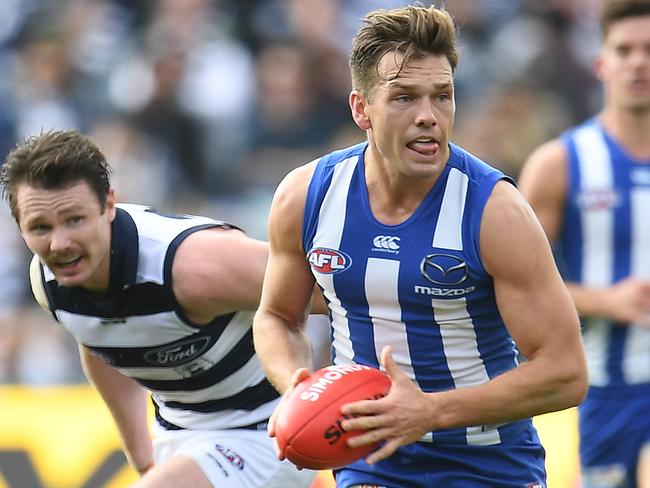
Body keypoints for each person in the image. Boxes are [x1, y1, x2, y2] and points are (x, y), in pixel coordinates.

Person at [252, 4, 589, 487]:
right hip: (370, 464)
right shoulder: (307, 196)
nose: (429, 116)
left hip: (489, 468)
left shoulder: (494, 211)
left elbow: (565, 372)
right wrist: (298, 385)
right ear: (360, 108)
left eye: (442, 96)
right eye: (405, 98)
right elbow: (276, 317)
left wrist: (428, 412)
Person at [0, 129, 326, 488]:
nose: (59, 243)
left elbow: (336, 291)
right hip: (180, 434)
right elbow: (99, 341)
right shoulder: (48, 282)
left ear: (109, 204)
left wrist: (349, 385)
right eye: (40, 227)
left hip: (270, 429)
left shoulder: (194, 266)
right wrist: (143, 460)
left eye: (75, 220)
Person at [519, 1, 650, 486]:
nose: (639, 62)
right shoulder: (561, 164)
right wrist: (605, 301)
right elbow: (509, 287)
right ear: (602, 64)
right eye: (625, 50)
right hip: (605, 391)